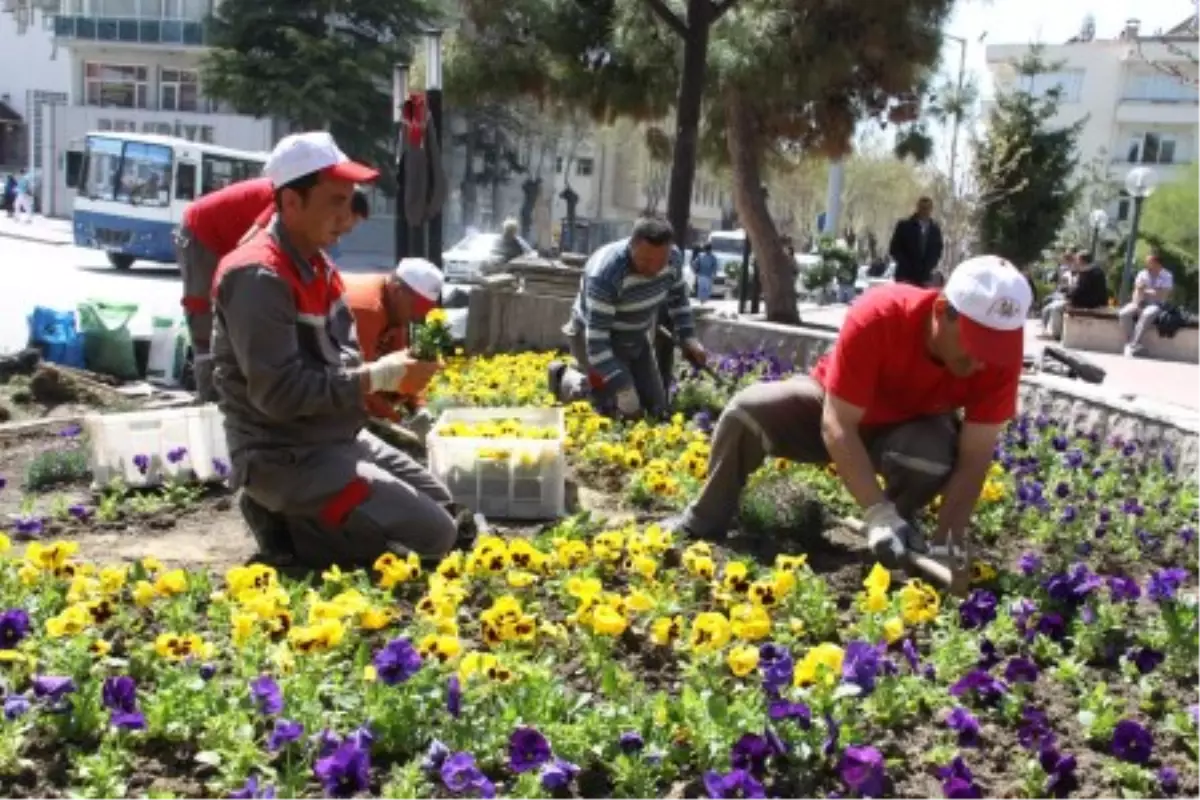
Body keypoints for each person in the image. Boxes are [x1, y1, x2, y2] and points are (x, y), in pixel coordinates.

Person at [209, 131, 470, 571]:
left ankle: (315, 518)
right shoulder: (259, 277)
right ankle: (287, 527)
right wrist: (378, 376)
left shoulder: (318, 265)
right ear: (291, 202)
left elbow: (343, 361)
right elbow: (279, 395)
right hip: (282, 453)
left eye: (350, 201)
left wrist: (391, 383)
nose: (348, 218)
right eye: (336, 201)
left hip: (334, 437)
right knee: (434, 537)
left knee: (447, 511)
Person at [666, 255, 1032, 568]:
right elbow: (837, 421)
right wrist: (875, 511)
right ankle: (704, 519)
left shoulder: (999, 357)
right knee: (745, 412)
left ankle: (900, 529)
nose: (985, 360)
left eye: (997, 346)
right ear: (941, 311)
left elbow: (976, 455)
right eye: (976, 343)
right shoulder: (881, 315)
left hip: (908, 432)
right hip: (833, 408)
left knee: (929, 456)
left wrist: (947, 543)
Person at [547, 216, 707, 419]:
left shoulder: (673, 260)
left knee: (656, 410)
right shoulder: (606, 274)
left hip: (635, 335)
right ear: (631, 246)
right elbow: (597, 345)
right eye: (646, 261)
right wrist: (624, 391)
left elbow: (678, 299)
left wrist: (689, 338)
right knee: (608, 409)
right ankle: (566, 379)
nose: (654, 269)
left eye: (661, 261)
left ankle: (608, 390)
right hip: (593, 338)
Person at [341, 257, 444, 447]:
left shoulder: (395, 304)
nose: (418, 316)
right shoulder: (367, 310)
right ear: (398, 290)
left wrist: (418, 407)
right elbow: (360, 381)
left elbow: (403, 361)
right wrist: (397, 421)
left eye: (424, 309)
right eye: (416, 308)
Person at [1040, 253, 1108, 340]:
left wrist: (1069, 297)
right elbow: (1079, 290)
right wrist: (1069, 296)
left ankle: (1056, 335)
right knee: (1053, 305)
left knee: (1056, 308)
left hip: (1091, 303)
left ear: (1082, 261)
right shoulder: (1094, 270)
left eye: (1077, 260)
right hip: (1088, 300)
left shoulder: (1089, 272)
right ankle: (1051, 331)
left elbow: (1081, 290)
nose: (1076, 262)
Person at [1119, 252, 1174, 357]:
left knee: (1147, 314)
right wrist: (1137, 303)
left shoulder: (1167, 276)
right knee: (1124, 313)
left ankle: (1132, 344)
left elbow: (1162, 294)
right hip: (1140, 301)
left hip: (1157, 304)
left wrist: (1144, 291)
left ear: (1158, 264)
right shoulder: (1142, 274)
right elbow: (1136, 291)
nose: (1147, 265)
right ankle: (1134, 344)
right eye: (1147, 263)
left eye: (1150, 263)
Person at [888, 196, 943, 287]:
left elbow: (938, 250)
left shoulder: (935, 229)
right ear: (917, 208)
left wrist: (929, 266)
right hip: (905, 276)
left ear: (931, 209)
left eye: (927, 208)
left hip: (924, 277)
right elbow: (894, 249)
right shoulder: (904, 226)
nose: (924, 211)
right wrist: (905, 264)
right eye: (922, 208)